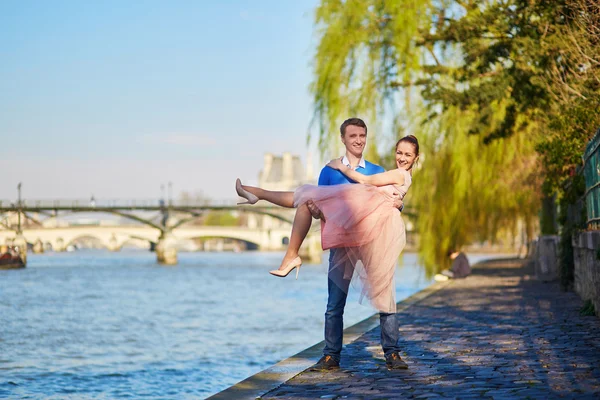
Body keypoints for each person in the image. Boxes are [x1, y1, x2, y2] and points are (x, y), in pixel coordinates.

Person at [236, 118, 419, 370]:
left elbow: (392, 196)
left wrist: (401, 204)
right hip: (341, 242)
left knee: (385, 298)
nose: (358, 140)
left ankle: (392, 353)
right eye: (353, 135)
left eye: (362, 135)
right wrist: (316, 210)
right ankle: (331, 355)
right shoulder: (328, 172)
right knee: (334, 304)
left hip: (370, 241)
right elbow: (322, 210)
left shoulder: (376, 170)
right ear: (343, 138)